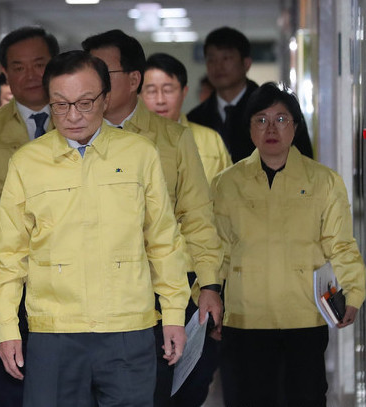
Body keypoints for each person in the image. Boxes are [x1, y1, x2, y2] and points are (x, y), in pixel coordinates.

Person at [0, 49, 190, 407]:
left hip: (128, 328)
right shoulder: (27, 162)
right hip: (54, 332)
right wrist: (6, 327)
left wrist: (174, 314)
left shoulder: (139, 154)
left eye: (84, 102)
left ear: (105, 99)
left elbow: (163, 240)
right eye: (60, 105)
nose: (73, 115)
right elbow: (8, 254)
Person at [82, 29, 223, 405]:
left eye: (102, 72)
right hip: (86, 293)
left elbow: (197, 217)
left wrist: (210, 285)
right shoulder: (68, 135)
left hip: (160, 291)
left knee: (158, 392)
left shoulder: (173, 139)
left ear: (133, 80)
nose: (91, 82)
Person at [211, 82, 366, 406]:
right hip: (245, 320)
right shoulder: (227, 183)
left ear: (295, 127)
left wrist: (354, 292)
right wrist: (209, 297)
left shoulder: (324, 181)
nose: (271, 128)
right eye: (261, 120)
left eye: (281, 119)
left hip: (304, 318)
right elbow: (216, 250)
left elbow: (341, 244)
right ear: (249, 128)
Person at [0, 26, 59, 407]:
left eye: (40, 64)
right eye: (18, 67)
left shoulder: (81, 124)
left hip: (68, 276)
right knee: (10, 384)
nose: (30, 75)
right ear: (3, 72)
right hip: (8, 278)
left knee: (69, 384)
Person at [187, 26, 313, 163]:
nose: (218, 66)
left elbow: (304, 163)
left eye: (226, 58)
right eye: (211, 60)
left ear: (246, 63)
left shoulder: (279, 110)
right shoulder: (195, 119)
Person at [142, 52, 232, 183]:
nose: (160, 100)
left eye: (168, 90)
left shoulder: (211, 140)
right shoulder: (130, 141)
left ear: (184, 92)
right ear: (139, 95)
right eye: (151, 91)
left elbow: (230, 190)